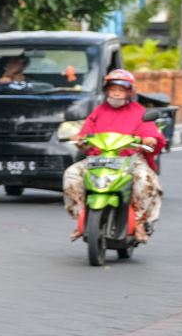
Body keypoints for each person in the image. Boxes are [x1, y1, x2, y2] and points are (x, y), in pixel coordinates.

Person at [63, 69, 164, 243]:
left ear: (129, 92)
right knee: (71, 175)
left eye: (121, 89)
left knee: (146, 180)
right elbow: (86, 133)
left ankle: (139, 221)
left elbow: (150, 132)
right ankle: (81, 220)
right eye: (113, 88)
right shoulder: (98, 111)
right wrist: (81, 139)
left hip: (129, 159)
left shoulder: (139, 112)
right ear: (107, 90)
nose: (116, 93)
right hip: (99, 158)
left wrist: (150, 139)